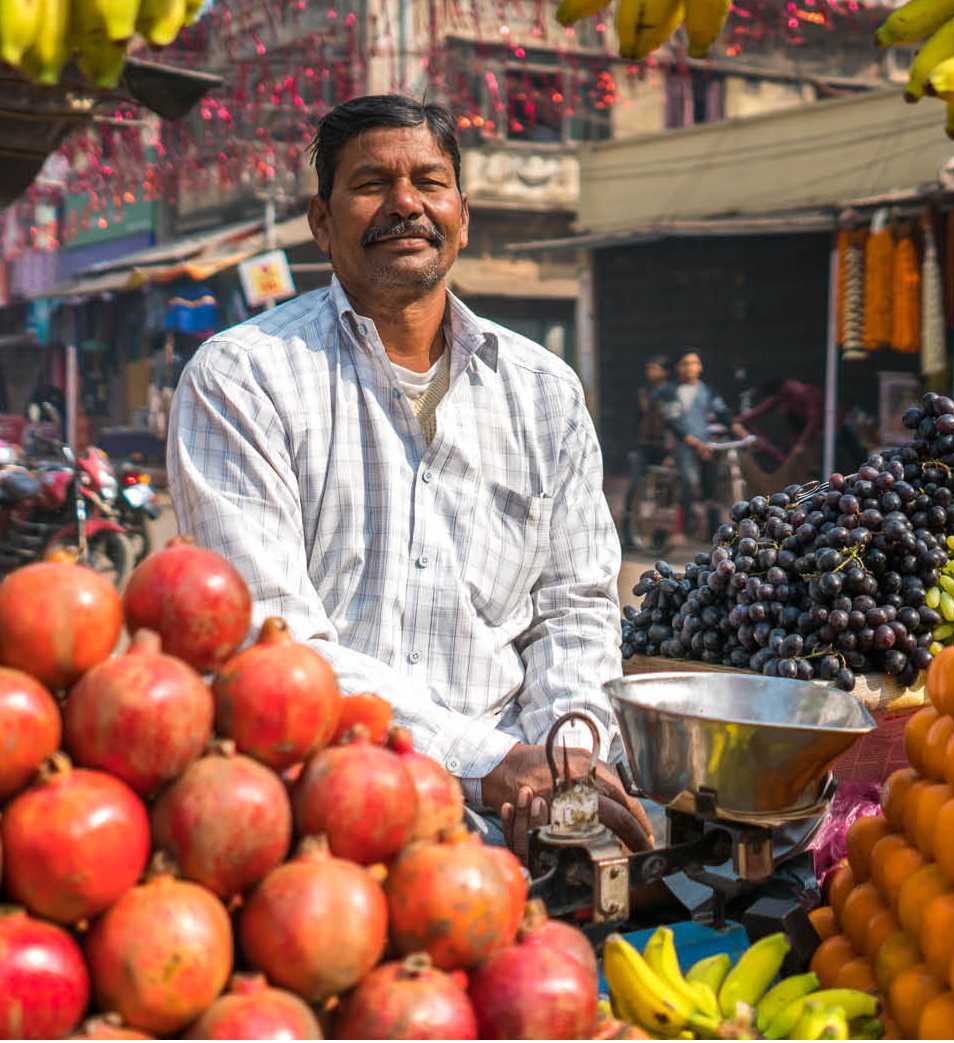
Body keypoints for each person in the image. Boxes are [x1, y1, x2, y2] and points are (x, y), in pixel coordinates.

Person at [168, 94, 650, 859]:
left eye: (429, 181)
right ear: (321, 222)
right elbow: (271, 636)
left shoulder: (543, 390)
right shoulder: (242, 377)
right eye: (371, 184)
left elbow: (575, 610)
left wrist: (569, 755)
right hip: (316, 821)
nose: (405, 204)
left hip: (519, 819)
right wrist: (486, 761)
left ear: (463, 213)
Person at [659, 349, 736, 540]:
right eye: (685, 364)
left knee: (712, 486)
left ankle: (713, 531)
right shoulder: (670, 391)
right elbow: (673, 422)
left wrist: (739, 429)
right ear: (678, 368)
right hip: (683, 445)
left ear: (700, 367)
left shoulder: (707, 391)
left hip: (707, 445)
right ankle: (685, 528)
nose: (690, 368)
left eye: (694, 363)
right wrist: (695, 444)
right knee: (689, 483)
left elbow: (722, 412)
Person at [621, 355, 670, 550]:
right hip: (643, 447)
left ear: (665, 372)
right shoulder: (643, 393)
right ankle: (628, 534)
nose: (651, 372)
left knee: (664, 494)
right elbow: (635, 420)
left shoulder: (671, 393)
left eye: (655, 368)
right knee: (634, 487)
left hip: (664, 448)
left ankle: (660, 536)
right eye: (649, 368)